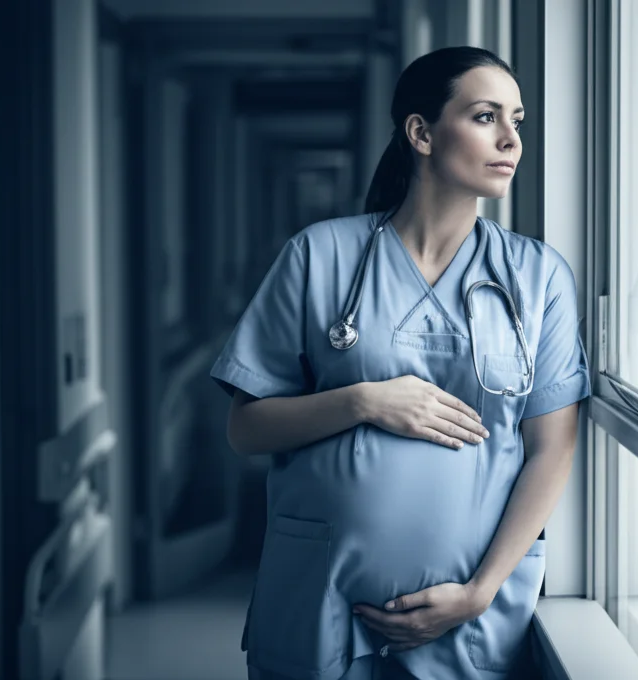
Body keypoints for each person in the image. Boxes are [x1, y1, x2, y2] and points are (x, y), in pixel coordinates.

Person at [210, 46, 591, 680]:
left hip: (467, 620)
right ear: (421, 132)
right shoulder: (319, 256)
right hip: (323, 603)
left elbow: (552, 448)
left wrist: (479, 592)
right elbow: (246, 428)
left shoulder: (537, 276)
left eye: (516, 120)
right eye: (485, 116)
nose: (511, 140)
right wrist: (364, 401)